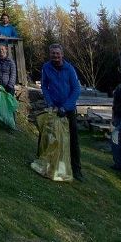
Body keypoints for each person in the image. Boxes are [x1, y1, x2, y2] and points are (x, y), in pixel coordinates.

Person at [40, 43, 84, 181]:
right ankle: (44, 162)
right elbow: (44, 86)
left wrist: (65, 107)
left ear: (62, 54)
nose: (55, 56)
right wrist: (49, 102)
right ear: (50, 54)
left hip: (68, 109)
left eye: (57, 53)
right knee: (47, 136)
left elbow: (76, 90)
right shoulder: (46, 67)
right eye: (53, 53)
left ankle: (76, 170)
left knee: (72, 140)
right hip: (53, 107)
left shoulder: (69, 69)